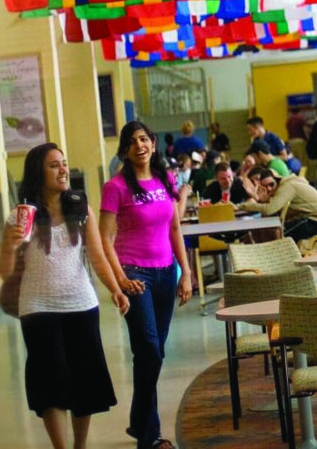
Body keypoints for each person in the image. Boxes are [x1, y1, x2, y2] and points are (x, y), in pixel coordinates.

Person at [0, 143, 128, 449]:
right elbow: (6, 270)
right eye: (54, 165)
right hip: (37, 307)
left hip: (81, 304)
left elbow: (97, 256)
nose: (63, 170)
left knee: (84, 381)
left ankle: (79, 446)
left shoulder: (80, 209)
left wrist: (115, 289)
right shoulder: (21, 216)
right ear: (37, 172)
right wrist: (10, 244)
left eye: (64, 163)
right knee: (50, 382)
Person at [100, 121, 192, 449]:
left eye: (144, 139)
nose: (140, 145)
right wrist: (120, 280)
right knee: (149, 350)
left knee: (153, 354)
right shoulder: (115, 187)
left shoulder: (166, 179)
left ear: (153, 144)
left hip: (166, 274)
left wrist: (187, 272)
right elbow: (105, 239)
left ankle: (141, 424)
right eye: (132, 142)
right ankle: (148, 435)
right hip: (135, 276)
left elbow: (175, 230)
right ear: (125, 150)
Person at [238, 166, 317, 242]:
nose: (269, 189)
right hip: (316, 220)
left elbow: (269, 210)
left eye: (271, 184)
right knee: (273, 231)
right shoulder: (285, 185)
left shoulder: (287, 187)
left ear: (277, 179)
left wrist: (242, 206)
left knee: (277, 235)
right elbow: (276, 213)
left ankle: (279, 260)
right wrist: (263, 200)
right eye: (265, 187)